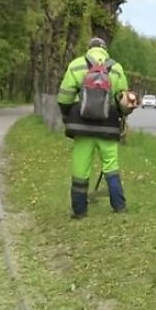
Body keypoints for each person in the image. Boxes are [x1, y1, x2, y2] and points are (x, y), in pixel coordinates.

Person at [56, 37, 133, 219]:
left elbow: (64, 97)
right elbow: (123, 100)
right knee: (111, 166)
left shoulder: (76, 66)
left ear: (89, 49)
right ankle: (119, 206)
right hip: (108, 128)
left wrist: (67, 117)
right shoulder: (116, 68)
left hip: (81, 127)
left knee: (80, 169)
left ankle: (79, 210)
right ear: (105, 50)